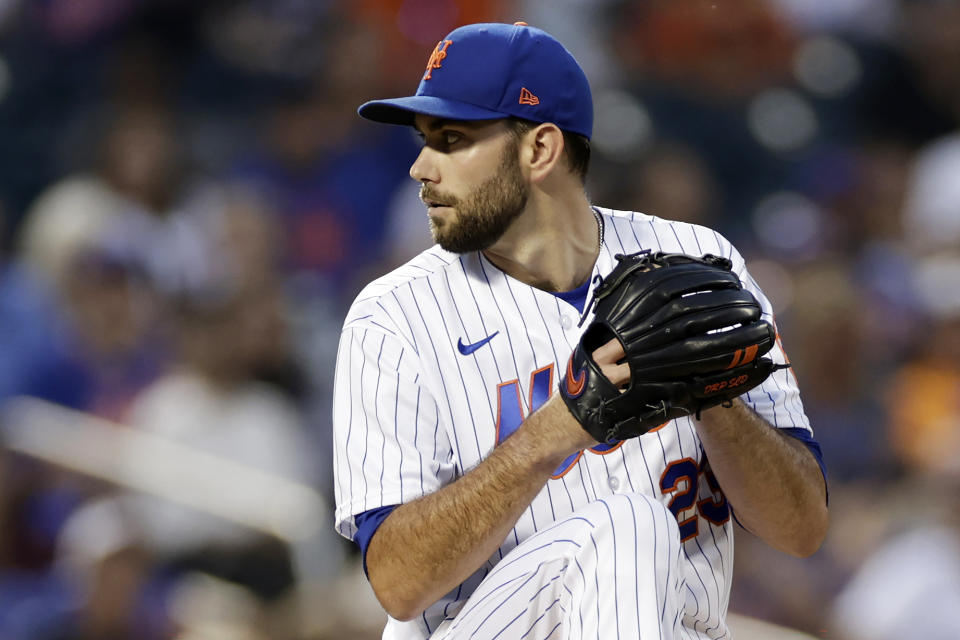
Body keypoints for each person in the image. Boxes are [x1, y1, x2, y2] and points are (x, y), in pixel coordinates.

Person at [332, 22, 828, 639]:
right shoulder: (394, 316)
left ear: (540, 150)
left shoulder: (699, 261)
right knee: (627, 524)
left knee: (636, 537)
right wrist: (560, 425)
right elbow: (398, 585)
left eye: (451, 139)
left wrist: (713, 396)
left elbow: (802, 528)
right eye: (424, 140)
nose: (420, 168)